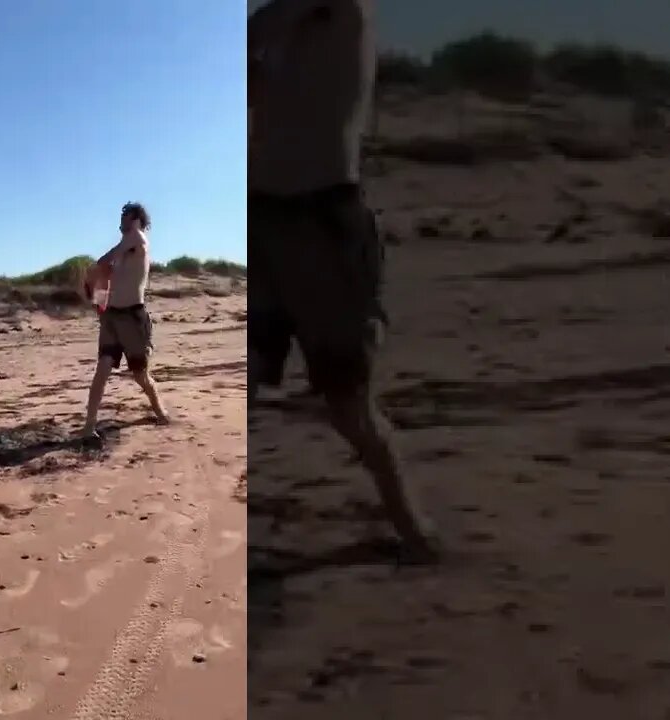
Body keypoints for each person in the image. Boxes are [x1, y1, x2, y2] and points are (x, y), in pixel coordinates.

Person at [249, 0, 439, 560]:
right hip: (263, 220)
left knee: (346, 401)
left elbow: (250, 33)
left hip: (322, 222)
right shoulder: (283, 38)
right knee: (249, 375)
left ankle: (412, 527)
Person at [79, 202, 171, 440]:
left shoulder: (137, 238)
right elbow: (104, 276)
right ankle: (89, 427)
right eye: (122, 217)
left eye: (127, 217)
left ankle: (160, 410)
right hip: (112, 317)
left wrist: (99, 270)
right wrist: (99, 304)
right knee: (102, 370)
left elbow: (101, 263)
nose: (123, 221)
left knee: (140, 374)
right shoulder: (122, 252)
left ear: (138, 220)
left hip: (132, 317)